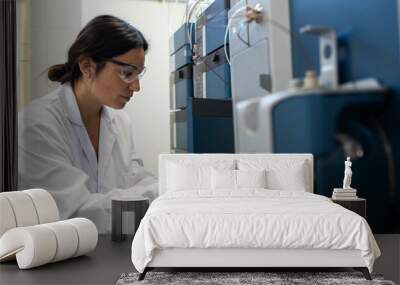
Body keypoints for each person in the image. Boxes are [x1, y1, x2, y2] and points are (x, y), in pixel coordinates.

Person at [18, 15, 158, 233]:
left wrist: (176, 186)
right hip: (57, 257)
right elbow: (76, 213)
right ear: (87, 67)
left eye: (138, 74)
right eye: (128, 73)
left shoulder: (120, 121)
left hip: (109, 250)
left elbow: (133, 176)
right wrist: (161, 195)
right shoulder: (37, 124)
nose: (136, 87)